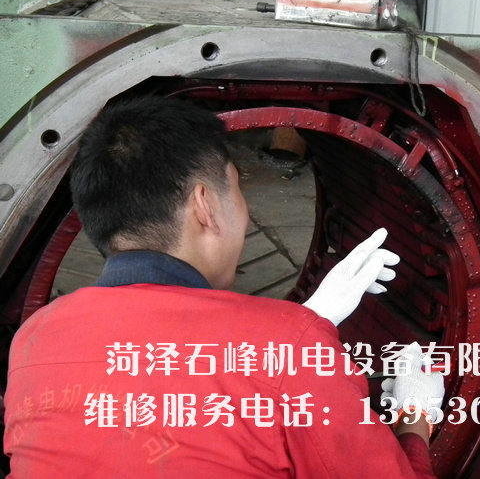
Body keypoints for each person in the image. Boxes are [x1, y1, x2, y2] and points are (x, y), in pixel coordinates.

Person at [3, 97, 444, 478]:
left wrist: (298, 335)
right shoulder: (290, 348)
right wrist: (415, 418)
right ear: (205, 205)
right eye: (237, 187)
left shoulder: (34, 339)